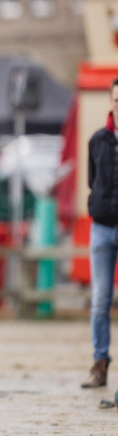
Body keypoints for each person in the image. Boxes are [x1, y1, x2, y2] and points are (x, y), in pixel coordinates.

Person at [84, 77, 118, 388]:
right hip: (103, 227)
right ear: (111, 101)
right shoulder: (97, 141)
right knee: (100, 299)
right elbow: (92, 180)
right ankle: (100, 362)